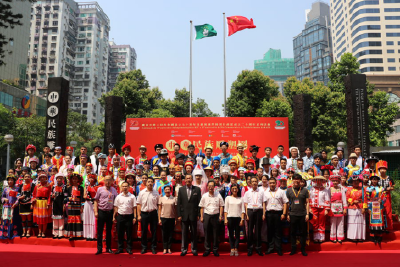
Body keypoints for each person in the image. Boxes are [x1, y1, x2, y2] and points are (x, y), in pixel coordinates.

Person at [177, 174, 202, 256]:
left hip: (193, 214)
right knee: (184, 232)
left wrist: (198, 214)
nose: (188, 180)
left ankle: (194, 249)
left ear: (192, 180)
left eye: (189, 178)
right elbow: (179, 203)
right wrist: (179, 215)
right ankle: (184, 249)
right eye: (187, 178)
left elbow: (199, 203)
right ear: (184, 180)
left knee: (194, 232)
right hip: (184, 214)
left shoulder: (197, 189)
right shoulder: (181, 189)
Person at [263, 177, 288, 256]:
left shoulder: (281, 192)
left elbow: (285, 203)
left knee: (278, 232)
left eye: (273, 183)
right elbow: (264, 203)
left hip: (278, 214)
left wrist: (284, 214)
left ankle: (278, 249)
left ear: (276, 183)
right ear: (268, 184)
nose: (272, 184)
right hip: (269, 213)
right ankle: (270, 248)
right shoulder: (266, 192)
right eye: (270, 183)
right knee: (270, 232)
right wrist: (264, 214)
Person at [199, 180, 224, 257]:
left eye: (212, 186)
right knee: (207, 233)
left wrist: (220, 215)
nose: (210, 187)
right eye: (209, 186)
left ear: (214, 187)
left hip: (216, 215)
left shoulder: (218, 195)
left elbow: (221, 205)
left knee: (215, 234)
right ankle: (207, 249)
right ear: (207, 187)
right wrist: (202, 216)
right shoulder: (204, 195)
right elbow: (201, 207)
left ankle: (215, 250)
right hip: (207, 215)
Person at [94, 175, 118, 255]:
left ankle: (108, 248)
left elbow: (116, 203)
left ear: (112, 181)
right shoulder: (100, 189)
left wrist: (114, 214)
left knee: (109, 231)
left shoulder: (114, 190)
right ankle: (99, 248)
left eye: (109, 180)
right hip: (101, 211)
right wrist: (96, 212)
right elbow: (96, 201)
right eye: (106, 180)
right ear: (104, 181)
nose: (108, 182)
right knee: (100, 231)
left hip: (110, 212)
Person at [286, 174, 309, 256]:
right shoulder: (289, 190)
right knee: (292, 232)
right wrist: (287, 214)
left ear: (300, 181)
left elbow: (307, 203)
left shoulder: (305, 190)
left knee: (303, 233)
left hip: (302, 214)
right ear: (292, 180)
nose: (296, 181)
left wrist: (307, 214)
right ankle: (293, 249)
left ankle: (303, 249)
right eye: (295, 179)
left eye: (298, 179)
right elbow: (287, 203)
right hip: (292, 214)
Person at [137, 176, 160, 254]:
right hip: (144, 213)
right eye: (148, 181)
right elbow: (138, 204)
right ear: (146, 183)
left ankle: (153, 247)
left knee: (154, 231)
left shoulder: (156, 193)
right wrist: (139, 215)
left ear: (153, 183)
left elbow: (159, 204)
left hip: (153, 213)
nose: (150, 183)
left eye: (151, 182)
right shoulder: (142, 192)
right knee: (144, 231)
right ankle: (144, 247)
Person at [113, 181, 137, 254]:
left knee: (129, 234)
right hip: (120, 216)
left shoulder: (132, 196)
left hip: (129, 217)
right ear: (121, 188)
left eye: (126, 186)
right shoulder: (118, 196)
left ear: (129, 187)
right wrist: (114, 217)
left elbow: (134, 207)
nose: (125, 188)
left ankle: (129, 248)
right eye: (123, 186)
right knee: (120, 233)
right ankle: (120, 248)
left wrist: (135, 217)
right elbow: (116, 207)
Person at [244, 177, 264, 256]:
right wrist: (246, 214)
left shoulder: (261, 192)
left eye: (256, 181)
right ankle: (250, 248)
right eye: (253, 182)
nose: (254, 183)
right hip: (250, 211)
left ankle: (258, 248)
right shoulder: (247, 192)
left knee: (258, 231)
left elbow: (263, 203)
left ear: (258, 182)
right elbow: (245, 204)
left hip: (259, 211)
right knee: (250, 231)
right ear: (250, 183)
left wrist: (263, 214)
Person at [224, 184, 245, 256]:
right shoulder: (228, 198)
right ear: (231, 190)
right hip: (230, 217)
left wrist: (242, 219)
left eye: (236, 188)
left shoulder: (241, 199)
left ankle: (236, 248)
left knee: (237, 234)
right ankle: (232, 248)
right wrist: (225, 219)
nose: (235, 190)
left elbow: (243, 210)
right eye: (233, 188)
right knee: (231, 235)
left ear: (238, 189)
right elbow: (225, 210)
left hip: (238, 218)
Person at [365, 174, 386, 244]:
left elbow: (384, 196)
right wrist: (368, 207)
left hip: (379, 207)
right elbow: (367, 198)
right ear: (371, 180)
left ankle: (379, 237)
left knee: (379, 221)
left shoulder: (381, 188)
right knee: (372, 221)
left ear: (378, 180)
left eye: (376, 179)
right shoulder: (368, 189)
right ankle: (372, 237)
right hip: (371, 207)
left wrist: (382, 200)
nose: (374, 181)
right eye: (373, 179)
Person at [309, 176, 330, 243]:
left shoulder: (325, 189)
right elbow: (310, 199)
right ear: (315, 181)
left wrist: (327, 209)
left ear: (322, 181)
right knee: (315, 222)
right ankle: (315, 237)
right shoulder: (312, 189)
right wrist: (310, 208)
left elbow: (327, 199)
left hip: (322, 208)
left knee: (322, 222)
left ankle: (321, 237)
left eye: (320, 180)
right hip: (314, 207)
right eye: (317, 180)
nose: (318, 182)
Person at [346, 175, 367, 242]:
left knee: (360, 223)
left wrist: (364, 208)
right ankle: (352, 237)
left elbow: (365, 199)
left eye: (357, 181)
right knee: (352, 223)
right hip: (352, 208)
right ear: (352, 182)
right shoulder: (349, 189)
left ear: (359, 182)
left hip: (360, 207)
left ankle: (360, 237)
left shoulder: (363, 189)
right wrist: (352, 201)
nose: (356, 183)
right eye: (354, 182)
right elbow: (346, 198)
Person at [1, 175, 21, 239]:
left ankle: (13, 233)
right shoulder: (5, 189)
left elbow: (18, 197)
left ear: (14, 181)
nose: (10, 181)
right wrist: (4, 199)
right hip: (6, 207)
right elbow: (2, 197)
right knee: (6, 220)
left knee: (13, 220)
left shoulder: (17, 188)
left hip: (14, 207)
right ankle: (5, 234)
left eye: (11, 180)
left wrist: (15, 204)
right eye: (9, 180)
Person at [64, 173, 84, 240]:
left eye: (76, 179)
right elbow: (65, 196)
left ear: (78, 180)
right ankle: (71, 234)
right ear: (71, 180)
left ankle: (78, 234)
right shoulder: (69, 188)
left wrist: (81, 206)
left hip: (78, 205)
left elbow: (82, 198)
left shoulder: (81, 188)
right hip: (71, 205)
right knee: (71, 219)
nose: (74, 180)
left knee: (77, 219)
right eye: (73, 179)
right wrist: (68, 198)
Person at [329, 174, 347, 243]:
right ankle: (333, 237)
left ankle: (340, 237)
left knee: (341, 223)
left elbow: (344, 199)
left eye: (336, 181)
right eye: (333, 181)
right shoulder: (329, 189)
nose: (335, 182)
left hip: (340, 207)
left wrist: (345, 208)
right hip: (332, 207)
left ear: (339, 181)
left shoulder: (342, 189)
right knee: (333, 222)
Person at [32, 173, 52, 238]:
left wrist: (48, 203)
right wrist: (33, 201)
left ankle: (44, 232)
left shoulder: (48, 186)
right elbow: (34, 195)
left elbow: (49, 196)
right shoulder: (36, 186)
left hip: (45, 202)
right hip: (38, 203)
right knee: (39, 218)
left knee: (44, 218)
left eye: (44, 177)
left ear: (46, 178)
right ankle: (39, 231)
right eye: (41, 177)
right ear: (39, 179)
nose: (42, 178)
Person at [158, 185, 176, 254]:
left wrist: (175, 219)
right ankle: (165, 248)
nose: (167, 191)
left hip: (171, 218)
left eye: (169, 189)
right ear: (164, 191)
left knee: (170, 234)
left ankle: (169, 248)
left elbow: (175, 209)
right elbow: (159, 209)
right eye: (166, 189)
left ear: (170, 191)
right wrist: (159, 219)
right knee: (164, 234)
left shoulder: (173, 198)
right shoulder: (161, 198)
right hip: (163, 217)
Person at [377, 160, 394, 231]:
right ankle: (380, 226)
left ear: (386, 170)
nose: (382, 170)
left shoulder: (389, 178)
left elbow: (393, 186)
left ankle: (388, 227)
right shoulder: (377, 178)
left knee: (388, 211)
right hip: (379, 197)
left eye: (384, 169)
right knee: (379, 211)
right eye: (381, 169)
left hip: (387, 197)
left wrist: (390, 188)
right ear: (379, 170)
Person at [17, 173, 35, 238]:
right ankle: (24, 231)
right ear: (23, 178)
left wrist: (32, 203)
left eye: (28, 176)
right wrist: (20, 197)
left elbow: (34, 194)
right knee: (23, 219)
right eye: (26, 176)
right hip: (22, 203)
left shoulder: (32, 185)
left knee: (29, 218)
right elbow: (18, 193)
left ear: (30, 178)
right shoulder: (21, 185)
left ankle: (28, 232)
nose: (27, 177)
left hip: (29, 203)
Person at [83, 173, 98, 241]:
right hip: (87, 203)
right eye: (90, 178)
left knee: (93, 218)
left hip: (93, 203)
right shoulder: (86, 186)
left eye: (92, 178)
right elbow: (84, 195)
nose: (91, 179)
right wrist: (86, 196)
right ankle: (88, 235)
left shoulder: (97, 187)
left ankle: (94, 235)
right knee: (87, 218)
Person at [51, 173, 66, 239]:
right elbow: (51, 195)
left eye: (61, 178)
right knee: (55, 219)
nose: (59, 179)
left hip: (61, 203)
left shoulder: (64, 187)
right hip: (55, 203)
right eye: (58, 178)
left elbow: (65, 196)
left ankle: (61, 233)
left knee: (61, 219)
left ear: (62, 179)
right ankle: (55, 233)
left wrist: (64, 204)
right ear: (56, 179)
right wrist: (52, 196)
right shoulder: (53, 187)